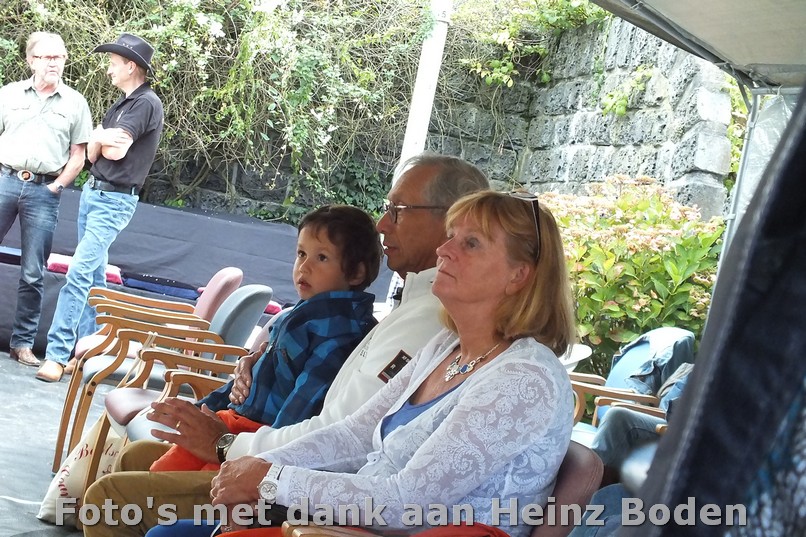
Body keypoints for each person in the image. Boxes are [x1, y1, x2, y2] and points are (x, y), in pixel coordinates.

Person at [82, 153, 490, 537]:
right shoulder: (416, 310)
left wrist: (228, 446)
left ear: (451, 221)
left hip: (303, 490)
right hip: (288, 467)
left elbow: (347, 441)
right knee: (134, 460)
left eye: (398, 210)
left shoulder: (433, 321)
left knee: (111, 500)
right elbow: (351, 429)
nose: (383, 224)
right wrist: (250, 369)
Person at [147, 189, 578, 537]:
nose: (444, 250)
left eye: (470, 243)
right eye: (451, 236)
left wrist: (270, 479)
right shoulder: (446, 347)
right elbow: (355, 434)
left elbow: (408, 502)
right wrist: (251, 467)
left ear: (519, 275)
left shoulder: (524, 379)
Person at [150, 204, 382, 472]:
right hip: (234, 427)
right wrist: (201, 410)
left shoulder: (340, 332)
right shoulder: (300, 315)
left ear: (356, 273)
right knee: (147, 466)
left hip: (253, 442)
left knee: (151, 482)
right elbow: (252, 380)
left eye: (322, 258)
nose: (304, 267)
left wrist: (251, 461)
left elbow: (298, 412)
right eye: (301, 254)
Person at [37, 33, 164, 382]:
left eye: (113, 63)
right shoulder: (122, 105)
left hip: (114, 200)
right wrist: (98, 138)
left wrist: (98, 138)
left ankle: (57, 355)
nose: (109, 69)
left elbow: (116, 151)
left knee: (79, 273)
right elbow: (94, 154)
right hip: (95, 195)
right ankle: (91, 354)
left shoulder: (145, 103)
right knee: (94, 279)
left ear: (131, 66)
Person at [0, 32, 92, 367]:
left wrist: (56, 186)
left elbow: (79, 155)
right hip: (4, 180)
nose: (55, 63)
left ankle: (22, 343)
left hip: (44, 190)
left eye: (59, 57)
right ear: (31, 61)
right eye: (48, 57)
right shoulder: (8, 94)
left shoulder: (75, 103)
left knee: (33, 273)